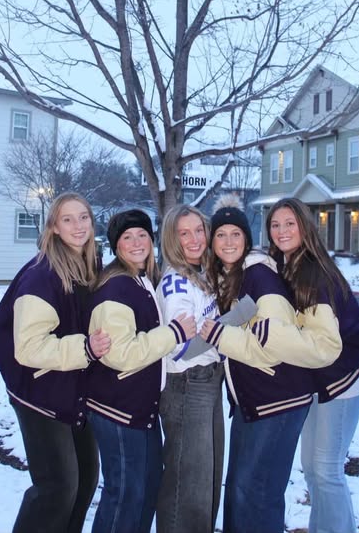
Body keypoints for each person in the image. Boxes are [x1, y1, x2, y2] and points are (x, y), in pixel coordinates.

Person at [200, 194, 343, 533]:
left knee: (257, 493)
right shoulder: (234, 276)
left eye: (236, 234)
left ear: (247, 239)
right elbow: (240, 325)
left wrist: (219, 337)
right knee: (241, 490)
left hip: (278, 400)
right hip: (254, 400)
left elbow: (270, 349)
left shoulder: (260, 278)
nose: (228, 241)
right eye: (221, 235)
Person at [0, 192, 111, 533]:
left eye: (83, 217)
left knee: (85, 482)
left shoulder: (88, 267)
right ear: (54, 227)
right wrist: (85, 348)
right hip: (40, 394)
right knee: (57, 488)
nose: (78, 226)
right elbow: (28, 347)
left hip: (74, 391)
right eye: (67, 219)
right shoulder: (42, 275)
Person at [266, 197, 359, 533]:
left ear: (304, 226)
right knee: (313, 467)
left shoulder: (312, 272)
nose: (282, 231)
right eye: (275, 225)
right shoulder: (286, 264)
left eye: (290, 223)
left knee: (326, 468)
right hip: (320, 377)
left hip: (345, 375)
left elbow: (326, 346)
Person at [84, 209, 196, 533]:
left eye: (142, 235)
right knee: (125, 494)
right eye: (127, 237)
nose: (136, 243)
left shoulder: (142, 280)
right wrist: (174, 333)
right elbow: (120, 354)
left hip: (140, 407)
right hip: (117, 408)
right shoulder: (115, 289)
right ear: (116, 246)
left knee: (146, 488)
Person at [155, 204, 224, 533]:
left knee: (207, 481)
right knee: (189, 487)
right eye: (184, 233)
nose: (195, 239)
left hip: (207, 380)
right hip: (187, 384)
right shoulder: (176, 284)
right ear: (172, 239)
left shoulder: (201, 273)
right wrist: (226, 332)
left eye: (199, 230)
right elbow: (182, 346)